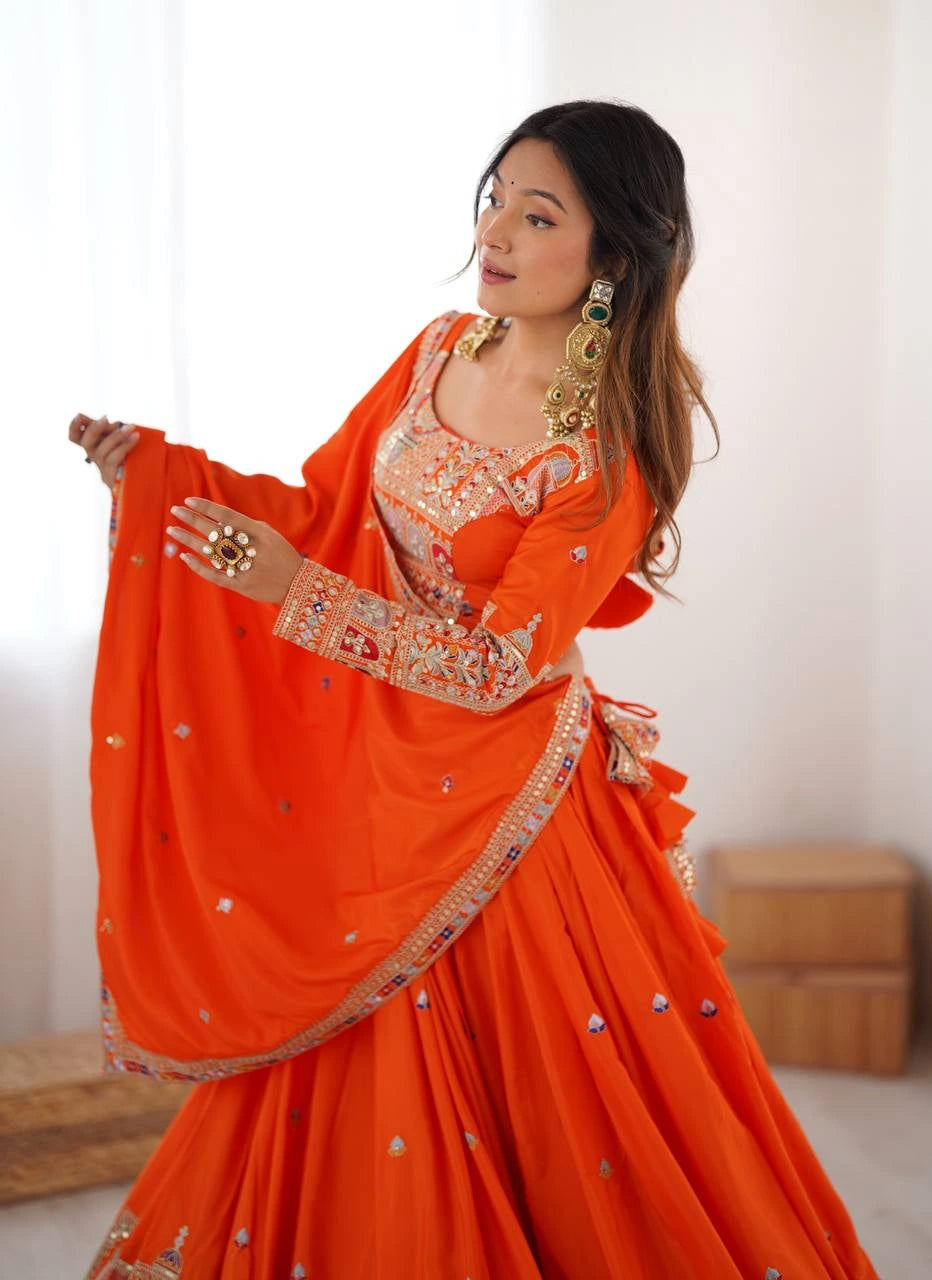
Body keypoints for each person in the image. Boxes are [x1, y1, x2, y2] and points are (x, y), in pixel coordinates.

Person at [71, 100, 879, 1279]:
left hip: (513, 821)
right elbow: (325, 517)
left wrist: (297, 594)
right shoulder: (444, 347)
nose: (494, 231)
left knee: (560, 1128)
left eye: (537, 212)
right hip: (381, 781)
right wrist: (161, 478)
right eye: (493, 198)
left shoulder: (602, 446)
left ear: (613, 255)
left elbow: (505, 663)